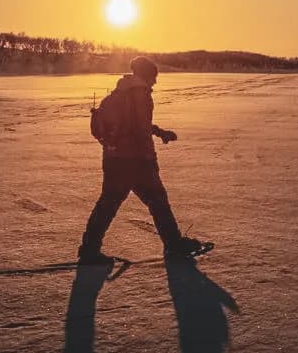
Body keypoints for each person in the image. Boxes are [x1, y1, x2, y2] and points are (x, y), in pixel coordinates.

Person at [78, 56, 204, 263]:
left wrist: (159, 132)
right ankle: (173, 245)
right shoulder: (140, 94)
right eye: (153, 77)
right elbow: (140, 128)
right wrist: (149, 158)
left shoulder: (118, 93)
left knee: (108, 204)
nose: (155, 81)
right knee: (157, 201)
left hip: (113, 157)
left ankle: (89, 249)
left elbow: (136, 124)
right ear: (146, 75)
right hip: (135, 160)